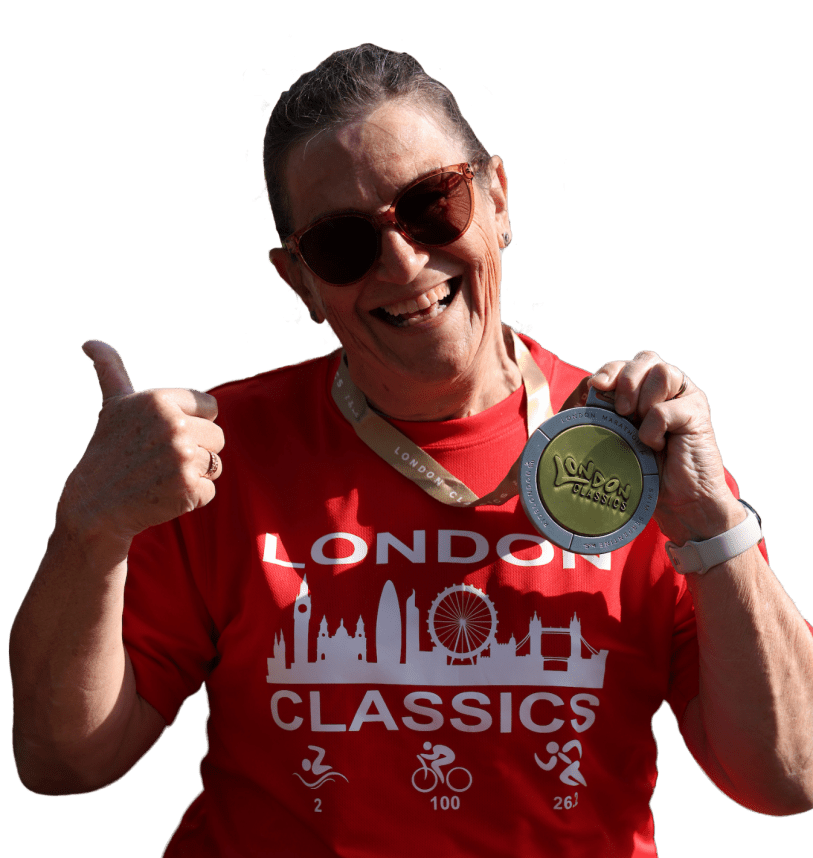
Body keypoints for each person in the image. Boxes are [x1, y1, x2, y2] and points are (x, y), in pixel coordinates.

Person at [9, 43, 813, 857]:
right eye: (342, 244)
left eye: (433, 203)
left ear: (496, 198)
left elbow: (790, 778)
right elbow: (62, 762)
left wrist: (714, 525)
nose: (401, 262)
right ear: (300, 285)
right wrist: (89, 529)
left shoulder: (634, 451)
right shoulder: (217, 459)